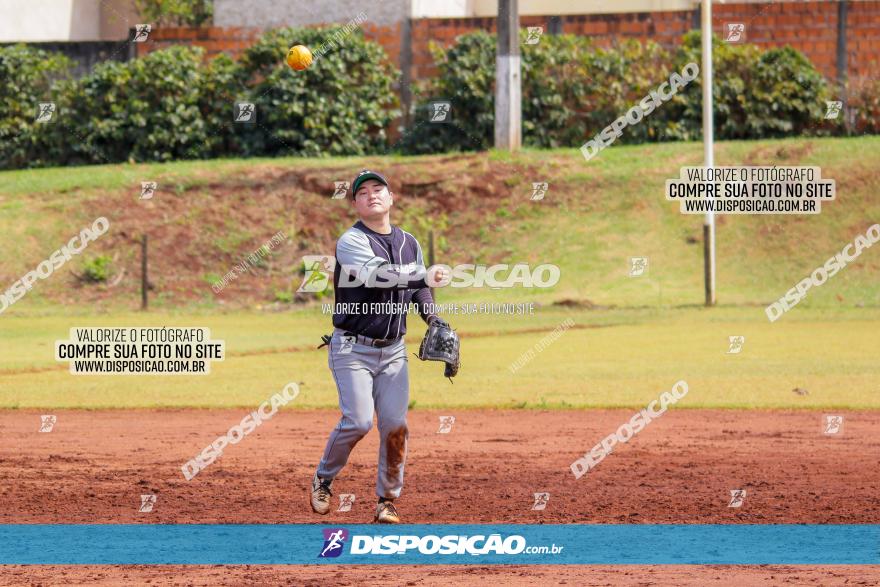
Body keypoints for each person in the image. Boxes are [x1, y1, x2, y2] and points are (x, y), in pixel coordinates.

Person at [311, 169, 449, 524]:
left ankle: (386, 501)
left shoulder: (409, 242)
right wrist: (425, 274)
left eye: (378, 189)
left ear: (391, 199)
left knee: (395, 425)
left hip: (394, 352)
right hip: (352, 348)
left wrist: (432, 318)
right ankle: (324, 478)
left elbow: (418, 289)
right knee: (358, 422)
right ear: (356, 203)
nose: (372, 194)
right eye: (363, 192)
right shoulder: (350, 241)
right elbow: (377, 275)